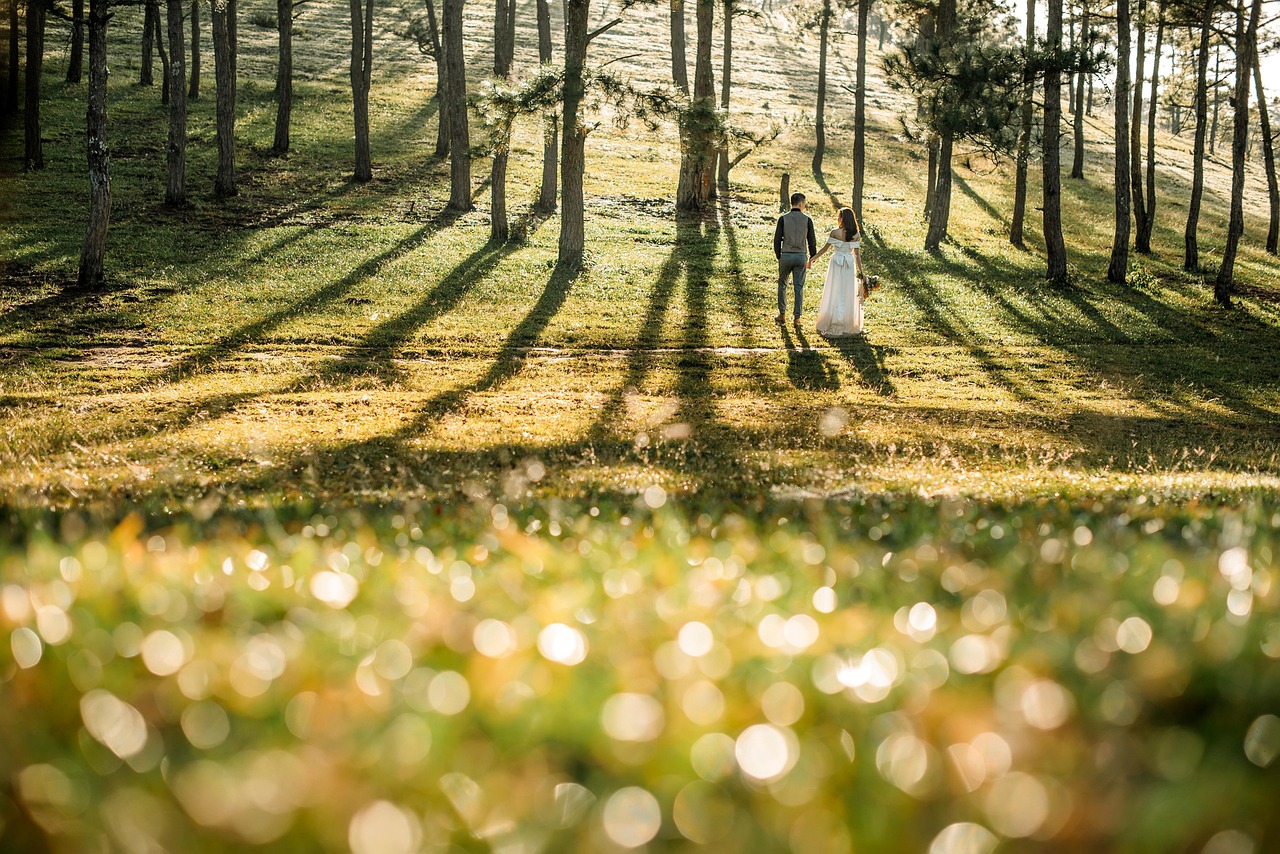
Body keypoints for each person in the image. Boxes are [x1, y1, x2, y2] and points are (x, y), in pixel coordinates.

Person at [809, 207, 867, 337]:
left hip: (837, 262)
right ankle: (845, 320)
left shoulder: (835, 232)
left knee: (834, 289)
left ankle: (834, 318)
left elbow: (824, 249)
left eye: (839, 217)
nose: (838, 219)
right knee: (846, 290)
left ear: (843, 219)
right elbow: (857, 255)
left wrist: (812, 259)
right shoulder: (856, 234)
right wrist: (861, 272)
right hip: (849, 263)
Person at [773, 192, 818, 326]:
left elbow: (777, 239)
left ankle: (782, 314)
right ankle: (797, 319)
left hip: (786, 255)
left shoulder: (783, 219)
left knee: (782, 285)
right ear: (801, 203)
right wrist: (812, 257)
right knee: (798, 287)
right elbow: (812, 241)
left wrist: (779, 255)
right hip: (800, 256)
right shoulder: (807, 220)